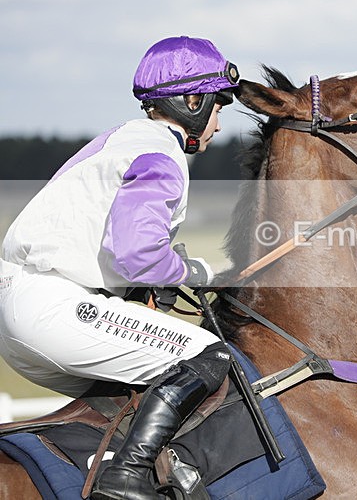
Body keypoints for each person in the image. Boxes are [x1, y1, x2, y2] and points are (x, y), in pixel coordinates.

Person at [0, 36, 240, 499]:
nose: (218, 121)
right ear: (192, 100)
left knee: (144, 384)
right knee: (208, 356)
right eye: (217, 105)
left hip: (26, 311)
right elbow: (138, 254)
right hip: (53, 309)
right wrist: (203, 273)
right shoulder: (162, 154)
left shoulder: (120, 138)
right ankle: (126, 479)